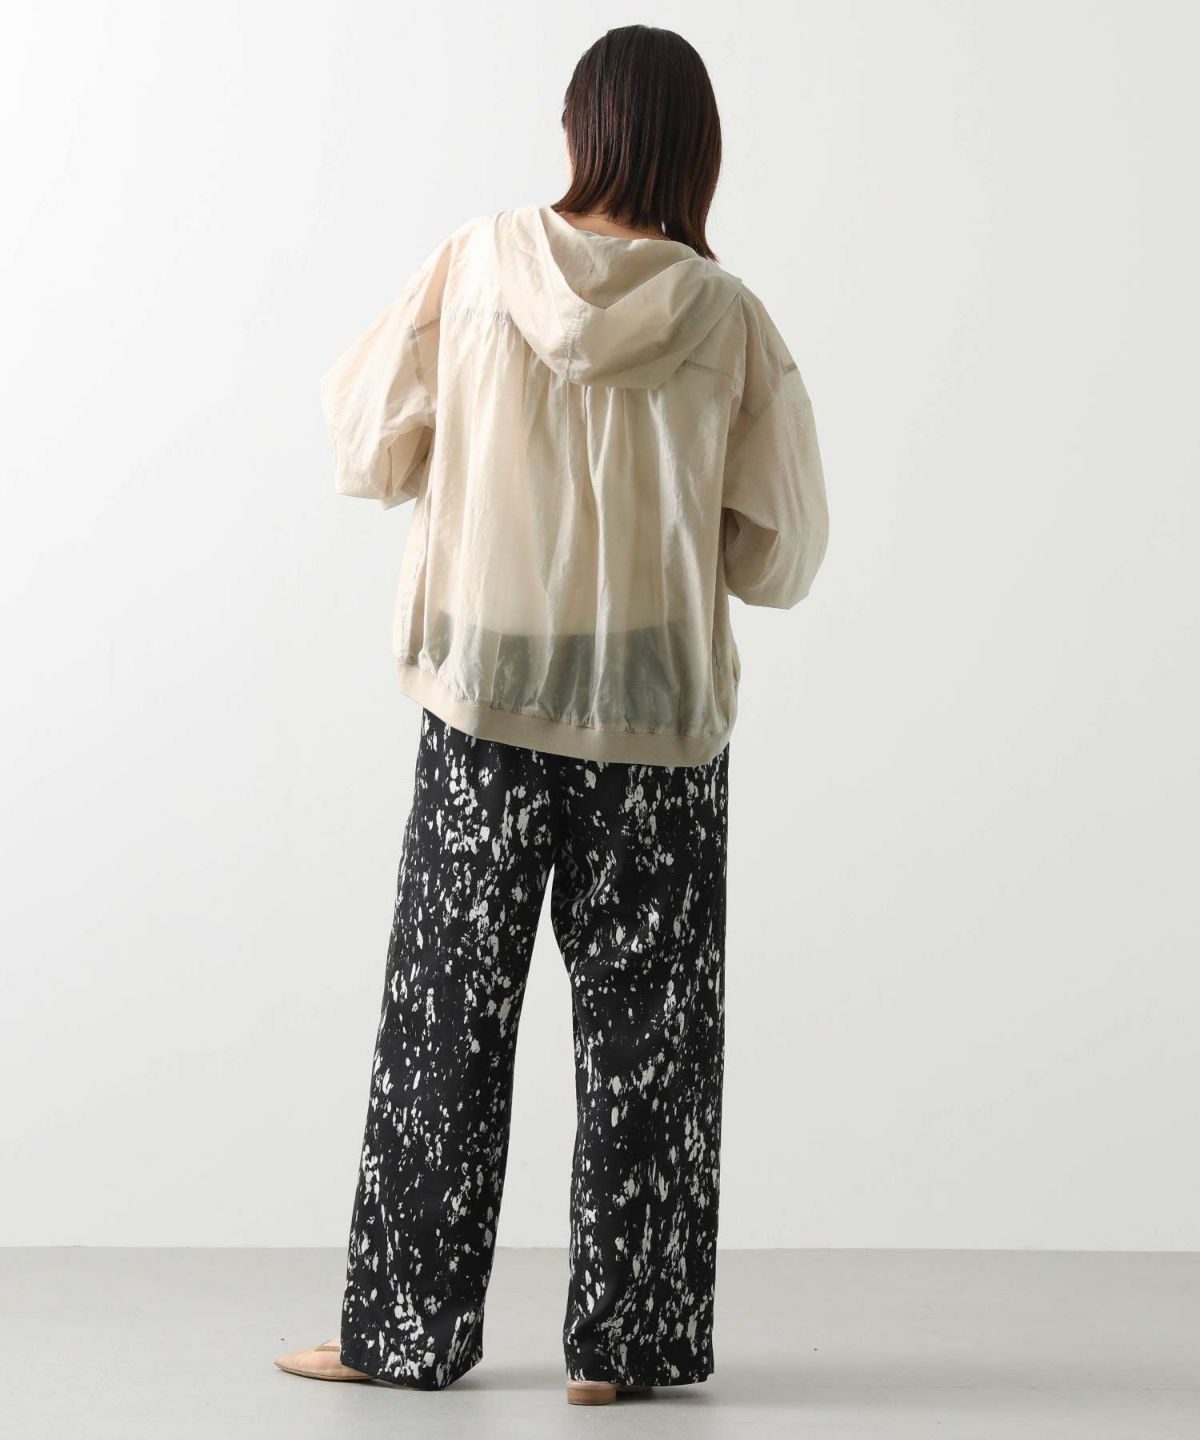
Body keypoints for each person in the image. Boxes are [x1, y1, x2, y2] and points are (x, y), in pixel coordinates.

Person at [275, 22, 828, 1407]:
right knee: (653, 1036)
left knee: (443, 1022)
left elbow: (365, 447)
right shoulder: (726, 318)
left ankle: (400, 1333)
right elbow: (778, 557)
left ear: (580, 130)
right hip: (654, 715)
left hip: (485, 696)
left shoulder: (477, 266)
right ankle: (627, 1351)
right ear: (698, 151)